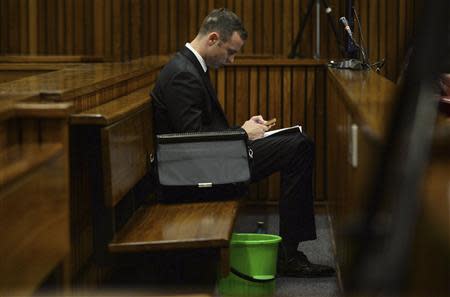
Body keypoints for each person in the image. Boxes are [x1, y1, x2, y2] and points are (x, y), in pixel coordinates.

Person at [151, 8, 334, 278]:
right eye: (230, 52)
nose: (232, 60)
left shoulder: (189, 67)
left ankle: (290, 253)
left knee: (295, 140)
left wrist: (243, 130)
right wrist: (242, 134)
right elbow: (193, 142)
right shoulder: (182, 73)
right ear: (213, 39)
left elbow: (199, 134)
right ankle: (290, 257)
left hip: (210, 160)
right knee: (299, 147)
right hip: (197, 173)